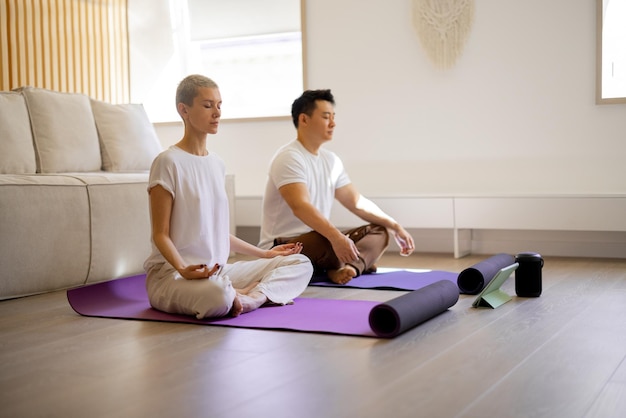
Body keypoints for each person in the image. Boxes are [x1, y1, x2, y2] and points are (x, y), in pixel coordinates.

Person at [143, 75, 313, 319]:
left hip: (217, 272)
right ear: (184, 110)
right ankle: (237, 294)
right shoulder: (167, 162)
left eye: (219, 105)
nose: (217, 113)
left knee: (300, 264)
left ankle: (253, 296)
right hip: (173, 275)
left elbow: (216, 233)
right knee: (217, 296)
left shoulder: (216, 164)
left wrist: (266, 254)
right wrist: (183, 268)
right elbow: (160, 234)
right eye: (207, 105)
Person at [259, 89, 415, 285]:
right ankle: (350, 265)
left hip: (320, 241)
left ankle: (347, 268)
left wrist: (394, 226)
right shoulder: (289, 157)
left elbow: (357, 203)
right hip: (283, 246)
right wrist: (336, 238)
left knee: (379, 232)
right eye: (326, 117)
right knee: (327, 238)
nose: (333, 123)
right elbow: (300, 206)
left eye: (333, 117)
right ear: (304, 120)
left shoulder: (331, 160)